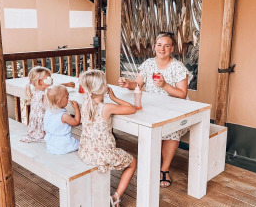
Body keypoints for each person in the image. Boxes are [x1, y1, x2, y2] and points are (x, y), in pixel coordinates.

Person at [118, 32, 192, 188]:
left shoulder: (178, 67)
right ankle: (151, 161)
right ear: (154, 47)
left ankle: (164, 169)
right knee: (147, 125)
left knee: (171, 131)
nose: (162, 49)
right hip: (152, 108)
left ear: (172, 48)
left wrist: (165, 85)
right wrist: (128, 84)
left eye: (166, 45)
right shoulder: (148, 64)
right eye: (159, 45)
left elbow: (182, 94)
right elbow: (137, 84)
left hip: (175, 109)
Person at [78, 70, 137, 207]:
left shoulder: (86, 104)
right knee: (133, 162)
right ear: (102, 88)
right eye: (105, 83)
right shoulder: (106, 108)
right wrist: (114, 97)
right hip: (103, 155)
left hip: (86, 152)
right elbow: (131, 109)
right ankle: (116, 197)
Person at [21, 66, 75, 143]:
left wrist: (66, 84)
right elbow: (55, 91)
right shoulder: (44, 94)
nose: (52, 79)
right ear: (39, 82)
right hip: (43, 123)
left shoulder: (34, 90)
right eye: (49, 78)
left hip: (34, 123)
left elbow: (54, 87)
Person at [43, 84, 80, 154]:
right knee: (80, 143)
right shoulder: (64, 116)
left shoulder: (48, 111)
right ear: (59, 102)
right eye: (67, 97)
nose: (68, 99)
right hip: (62, 145)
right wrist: (77, 109)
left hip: (52, 144)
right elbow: (76, 122)